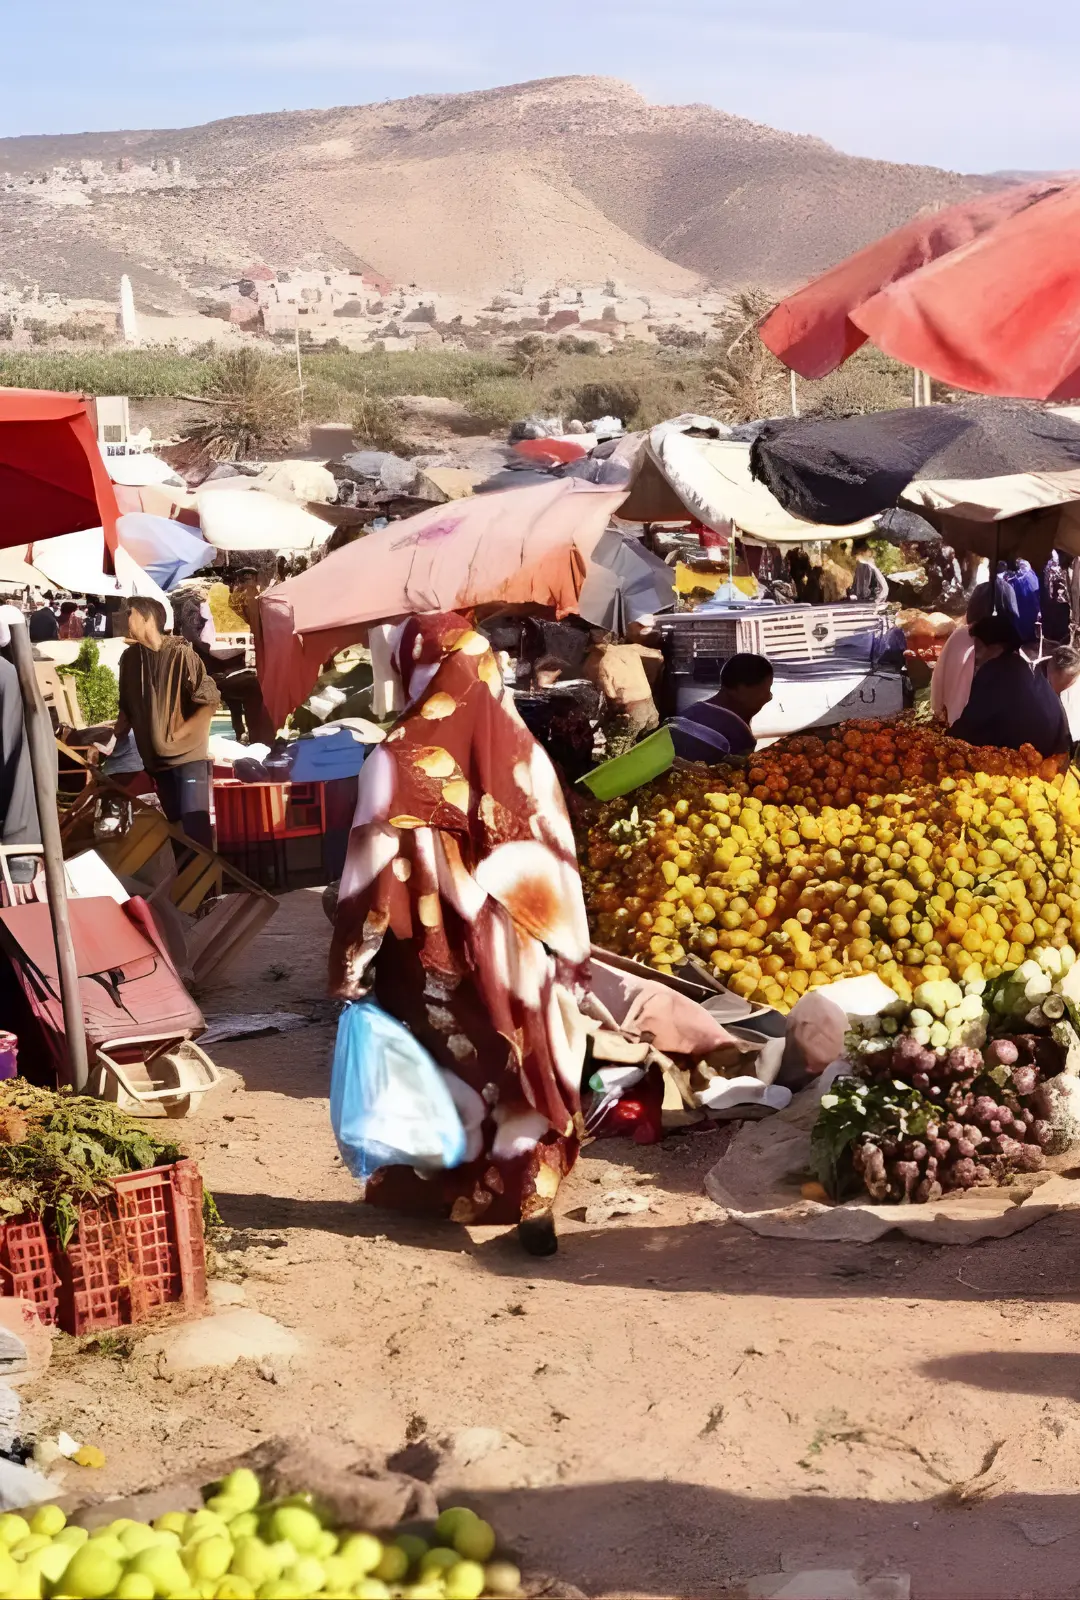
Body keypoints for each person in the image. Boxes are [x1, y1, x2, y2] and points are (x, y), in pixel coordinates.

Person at [329, 612, 591, 1256]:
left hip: (430, 951)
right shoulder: (527, 755)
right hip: (520, 952)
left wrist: (351, 963)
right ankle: (531, 1189)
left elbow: (368, 882)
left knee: (450, 1065)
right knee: (517, 1058)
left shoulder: (393, 762)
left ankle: (447, 1188)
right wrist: (566, 957)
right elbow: (559, 865)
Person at [113, 597, 221, 849]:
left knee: (196, 830)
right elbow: (126, 710)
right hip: (156, 763)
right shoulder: (129, 660)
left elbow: (209, 701)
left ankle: (208, 888)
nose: (122, 621)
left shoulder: (181, 654)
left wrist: (179, 733)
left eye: (128, 614)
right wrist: (108, 743)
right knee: (176, 831)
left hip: (188, 760)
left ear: (146, 617)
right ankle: (185, 887)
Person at [950, 615, 1069, 759]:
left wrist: (946, 738)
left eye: (978, 646)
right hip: (1051, 754)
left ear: (993, 647)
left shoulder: (995, 671)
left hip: (1025, 760)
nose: (977, 654)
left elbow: (972, 724)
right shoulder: (1025, 667)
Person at [584, 627, 663, 760]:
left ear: (596, 647)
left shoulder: (604, 661)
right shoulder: (631, 648)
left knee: (625, 752)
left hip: (632, 709)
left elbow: (611, 693)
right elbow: (658, 655)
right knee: (652, 741)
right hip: (649, 703)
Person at [678, 653, 773, 756]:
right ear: (741, 689)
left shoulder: (689, 714)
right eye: (766, 690)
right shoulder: (738, 734)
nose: (769, 697)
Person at [930, 583, 994, 726]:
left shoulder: (960, 635)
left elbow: (938, 677)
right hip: (978, 728)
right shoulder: (999, 644)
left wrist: (938, 709)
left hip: (954, 722)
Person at [995, 557, 1040, 646]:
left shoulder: (1029, 578)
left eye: (1023, 567)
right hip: (1023, 609)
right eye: (1020, 567)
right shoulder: (1016, 579)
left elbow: (1035, 594)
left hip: (1028, 609)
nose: (1021, 569)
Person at [849, 539, 890, 604]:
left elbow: (869, 590)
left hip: (870, 602)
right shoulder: (865, 565)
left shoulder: (866, 566)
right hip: (870, 601)